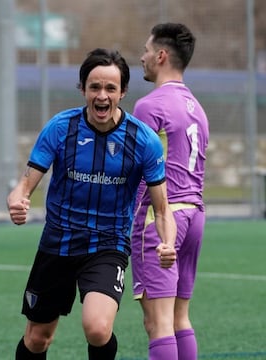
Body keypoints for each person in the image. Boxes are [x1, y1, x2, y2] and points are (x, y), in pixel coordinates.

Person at [7, 48, 177, 360]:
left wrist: (167, 242)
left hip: (107, 244)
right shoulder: (61, 128)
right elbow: (24, 183)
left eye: (110, 88)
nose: (102, 95)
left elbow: (163, 209)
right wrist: (18, 199)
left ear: (122, 91)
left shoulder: (144, 140)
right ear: (83, 89)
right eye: (94, 87)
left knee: (98, 328)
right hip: (58, 242)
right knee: (37, 339)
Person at [131, 23, 209, 360]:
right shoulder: (197, 108)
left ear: (161, 56)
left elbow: (137, 171)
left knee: (158, 324)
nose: (142, 57)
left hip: (161, 219)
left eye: (147, 50)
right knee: (179, 318)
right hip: (195, 216)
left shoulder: (150, 106)